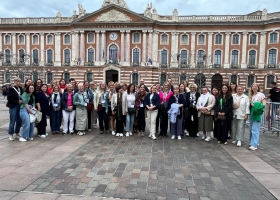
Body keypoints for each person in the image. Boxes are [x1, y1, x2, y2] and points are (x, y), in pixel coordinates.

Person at [249, 83, 266, 151]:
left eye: (255, 86)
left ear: (258, 87)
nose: (254, 87)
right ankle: (252, 141)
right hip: (252, 113)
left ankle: (254, 144)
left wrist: (261, 106)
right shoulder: (250, 95)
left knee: (255, 129)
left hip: (257, 113)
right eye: (253, 86)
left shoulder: (260, 94)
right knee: (251, 129)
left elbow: (264, 101)